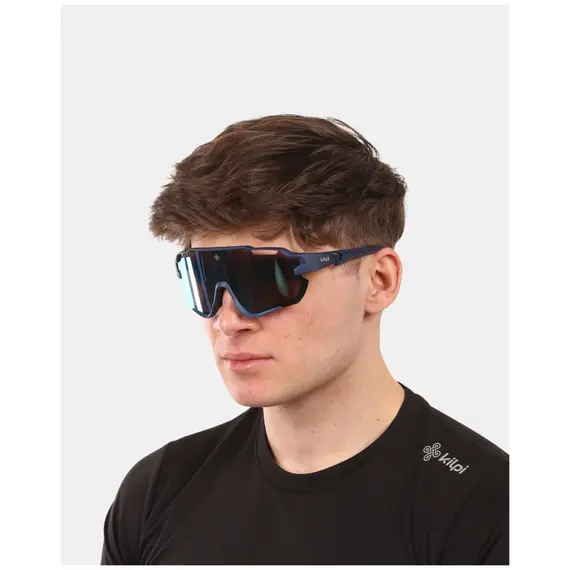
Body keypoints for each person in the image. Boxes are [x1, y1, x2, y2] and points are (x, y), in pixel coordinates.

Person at [100, 114, 508, 565]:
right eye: (205, 279)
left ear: (379, 280)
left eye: (266, 279)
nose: (228, 320)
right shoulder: (157, 491)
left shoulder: (489, 509)